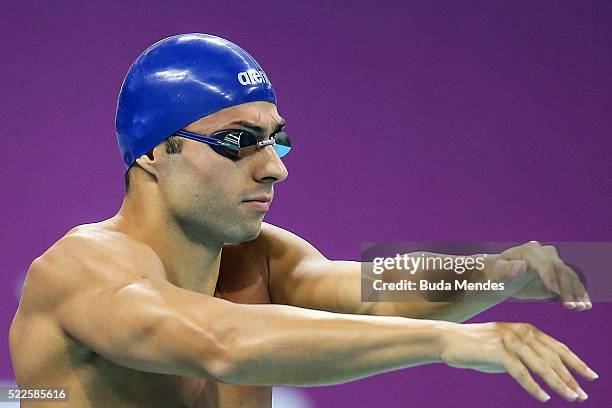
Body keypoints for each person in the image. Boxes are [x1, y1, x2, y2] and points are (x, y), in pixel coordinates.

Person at [9, 33, 597, 407]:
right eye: (239, 141)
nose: (274, 170)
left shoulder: (262, 257)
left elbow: (377, 290)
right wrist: (447, 339)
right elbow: (222, 343)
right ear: (152, 152)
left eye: (276, 140)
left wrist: (498, 272)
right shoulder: (80, 269)